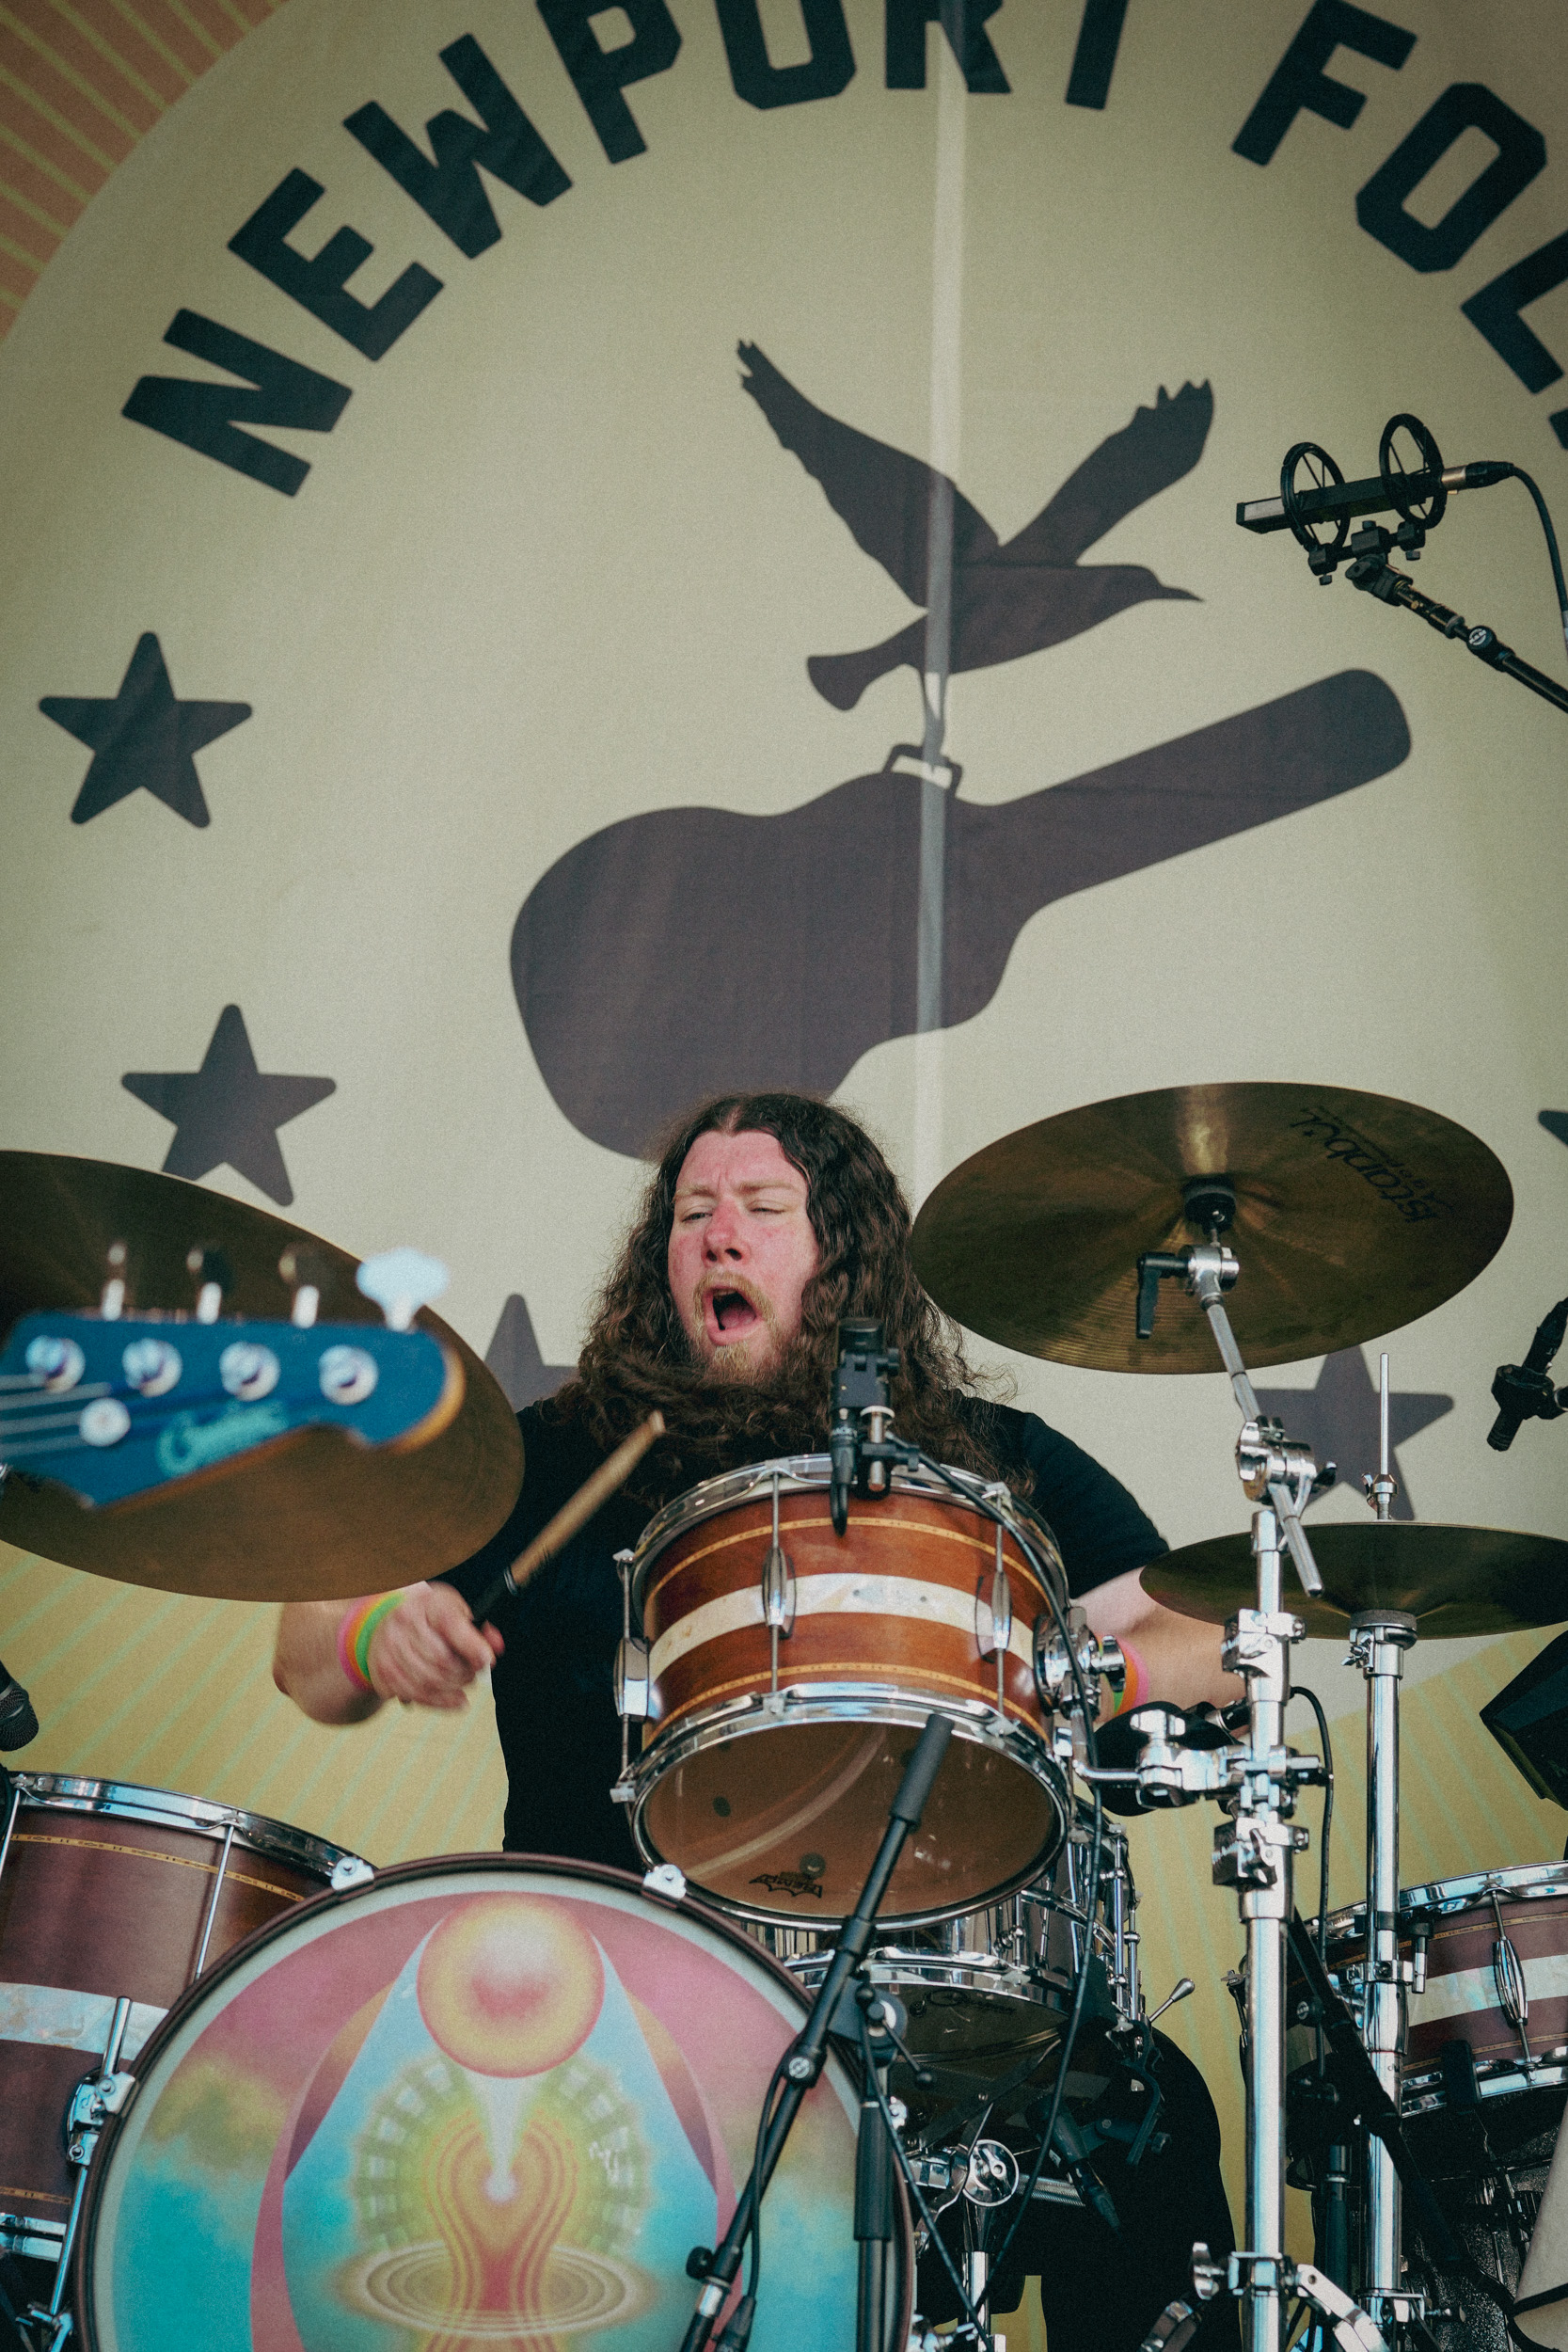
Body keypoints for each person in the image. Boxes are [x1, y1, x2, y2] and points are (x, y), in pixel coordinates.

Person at [275, 1090, 1241, 2349]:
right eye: (691, 1212)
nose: (719, 1234)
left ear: (846, 1256)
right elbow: (307, 1651)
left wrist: (1074, 1678)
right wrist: (374, 1635)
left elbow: (1211, 1642)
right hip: (607, 2017)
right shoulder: (558, 1458)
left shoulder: (993, 1463)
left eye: (764, 1208)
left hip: (931, 2013)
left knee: (1156, 2113)